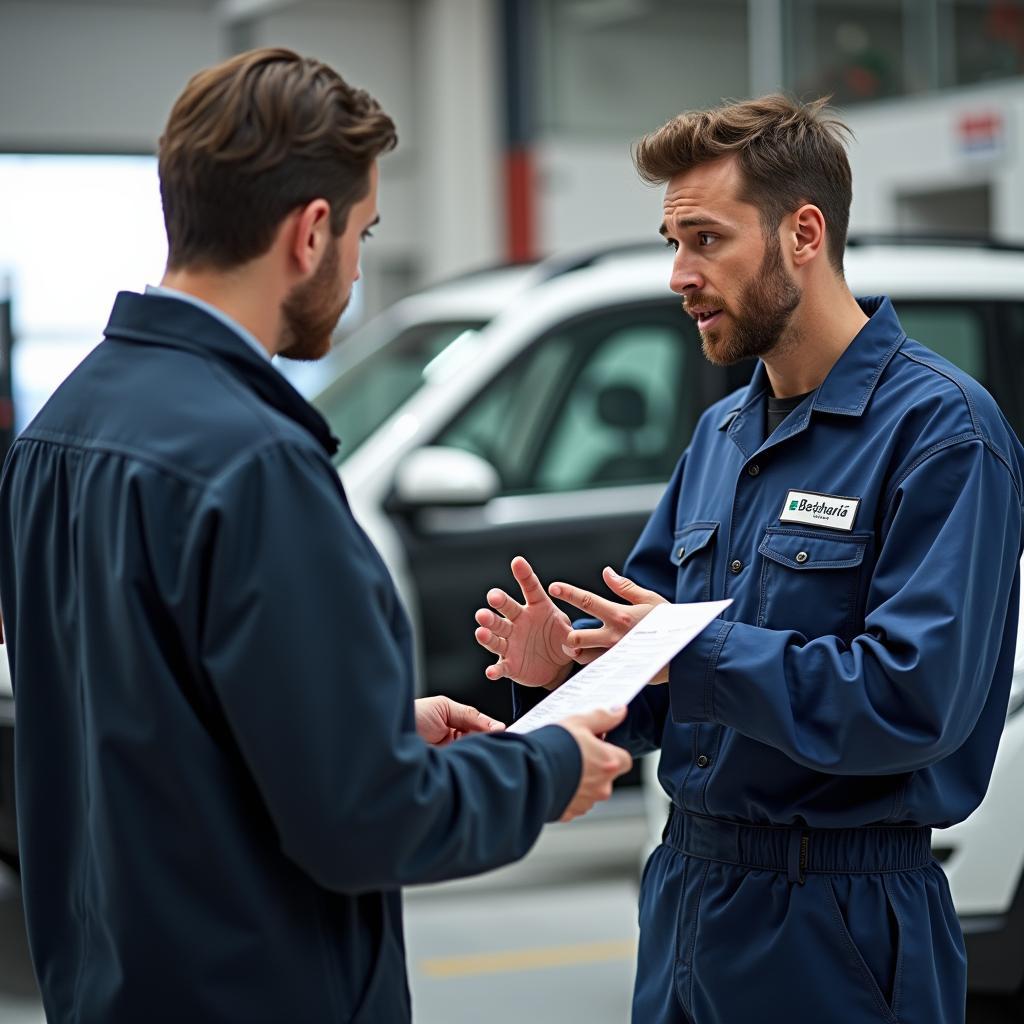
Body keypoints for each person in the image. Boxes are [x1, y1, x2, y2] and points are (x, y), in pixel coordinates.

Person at [0, 48, 632, 1024]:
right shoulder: (256, 466)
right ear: (309, 232)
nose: (355, 265)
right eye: (363, 233)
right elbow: (363, 821)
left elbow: (145, 727)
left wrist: (363, 728)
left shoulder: (57, 435)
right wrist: (544, 765)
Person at [473, 95, 1024, 1024]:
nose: (680, 274)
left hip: (839, 925)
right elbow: (655, 680)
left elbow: (913, 698)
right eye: (671, 242)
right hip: (690, 900)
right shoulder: (721, 436)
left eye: (705, 240)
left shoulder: (943, 435)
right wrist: (562, 680)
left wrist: (694, 655)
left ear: (803, 233)